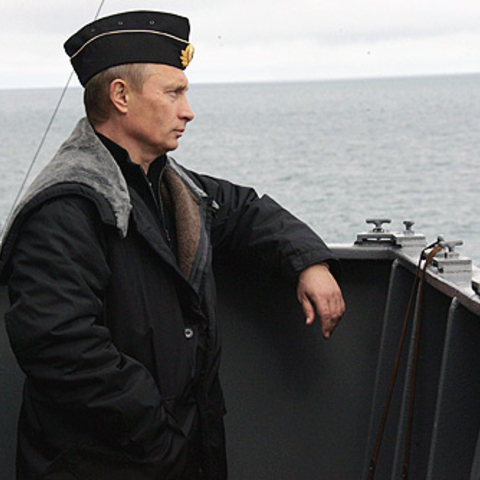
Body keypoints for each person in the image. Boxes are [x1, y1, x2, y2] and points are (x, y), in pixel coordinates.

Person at [0, 10, 345, 480]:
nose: (188, 110)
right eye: (173, 92)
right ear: (120, 96)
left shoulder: (167, 186)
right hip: (107, 462)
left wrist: (308, 263)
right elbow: (60, 346)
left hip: (175, 452)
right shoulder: (65, 207)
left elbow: (243, 211)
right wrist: (158, 429)